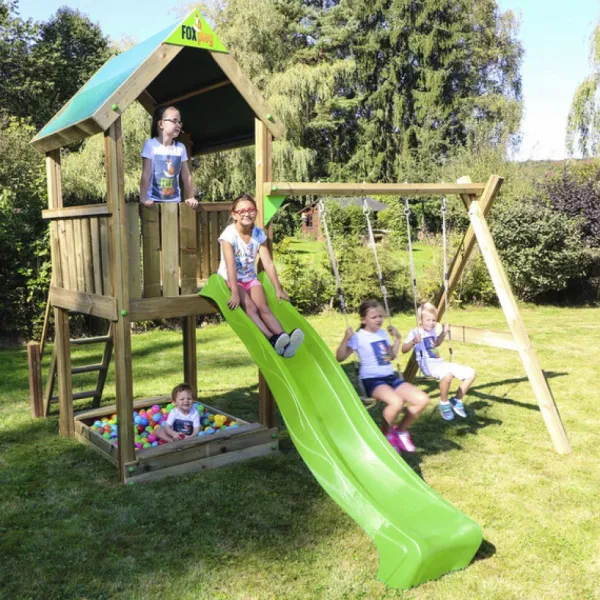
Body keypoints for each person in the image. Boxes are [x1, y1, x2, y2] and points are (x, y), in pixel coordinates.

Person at [336, 299, 430, 453]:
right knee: (396, 402)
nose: (379, 319)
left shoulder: (382, 333)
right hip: (372, 380)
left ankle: (401, 431)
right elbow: (340, 357)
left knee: (422, 399)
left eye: (380, 316)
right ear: (363, 320)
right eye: (374, 317)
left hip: (390, 377)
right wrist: (346, 338)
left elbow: (390, 356)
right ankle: (386, 436)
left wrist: (397, 339)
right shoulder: (358, 337)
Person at [218, 193, 304, 358]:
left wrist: (278, 289)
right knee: (250, 308)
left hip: (250, 278)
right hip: (231, 279)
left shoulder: (258, 234)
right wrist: (235, 293)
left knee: (264, 308)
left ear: (256, 212)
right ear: (234, 215)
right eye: (242, 211)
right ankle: (272, 338)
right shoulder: (229, 235)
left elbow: (268, 263)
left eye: (251, 210)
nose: (247, 213)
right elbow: (230, 265)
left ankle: (284, 339)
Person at [402, 302, 476, 421]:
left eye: (434, 320)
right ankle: (444, 403)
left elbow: (436, 343)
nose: (431, 323)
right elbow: (403, 349)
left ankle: (456, 400)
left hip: (439, 363)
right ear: (420, 320)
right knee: (447, 376)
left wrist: (443, 332)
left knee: (471, 373)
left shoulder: (431, 331)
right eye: (428, 320)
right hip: (428, 365)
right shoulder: (415, 332)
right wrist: (413, 342)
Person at [139, 105, 199, 209]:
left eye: (179, 122)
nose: (178, 125)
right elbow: (146, 174)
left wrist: (191, 197)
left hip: (174, 202)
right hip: (153, 202)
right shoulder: (150, 145)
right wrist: (143, 198)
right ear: (161, 124)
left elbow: (186, 175)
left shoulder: (180, 148)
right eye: (174, 121)